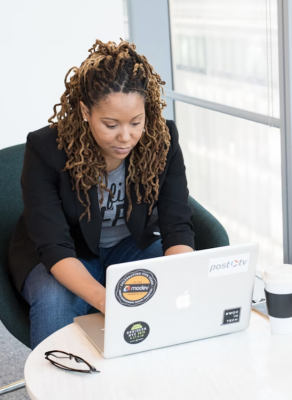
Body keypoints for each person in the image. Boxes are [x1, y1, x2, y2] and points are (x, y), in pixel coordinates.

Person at [8, 39, 195, 349]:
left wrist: (181, 278)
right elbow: (54, 244)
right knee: (57, 305)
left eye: (136, 122)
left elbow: (177, 224)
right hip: (66, 253)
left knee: (177, 301)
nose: (126, 136)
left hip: (128, 246)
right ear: (85, 110)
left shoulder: (163, 139)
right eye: (111, 124)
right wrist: (109, 300)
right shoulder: (45, 149)